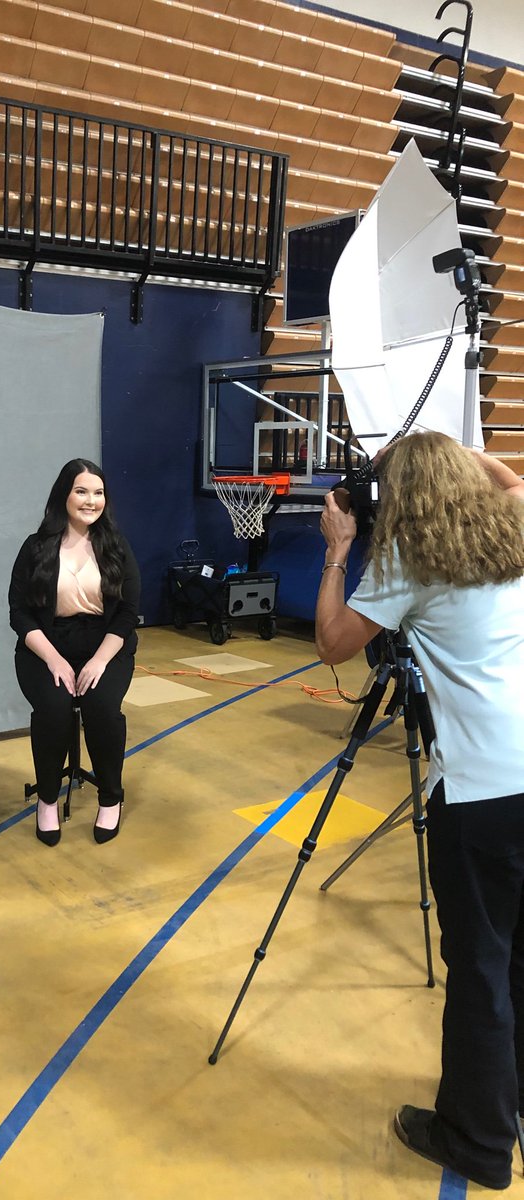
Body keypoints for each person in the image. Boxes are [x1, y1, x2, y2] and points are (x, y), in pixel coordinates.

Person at [315, 430, 524, 1191]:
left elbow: (333, 644)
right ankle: (509, 1101)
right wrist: (467, 450)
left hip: (480, 788)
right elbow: (512, 484)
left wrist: (339, 549)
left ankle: (477, 1139)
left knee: (480, 965)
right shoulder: (513, 533)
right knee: (519, 954)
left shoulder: (408, 560)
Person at [9, 459, 140, 846]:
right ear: (64, 496)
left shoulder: (116, 546)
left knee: (102, 708)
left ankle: (111, 798)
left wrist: (99, 660)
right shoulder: (36, 547)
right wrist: (53, 659)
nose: (91, 500)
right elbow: (19, 612)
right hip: (47, 645)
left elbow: (128, 613)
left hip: (105, 644)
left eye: (98, 493)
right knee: (53, 708)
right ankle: (47, 800)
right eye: (81, 491)